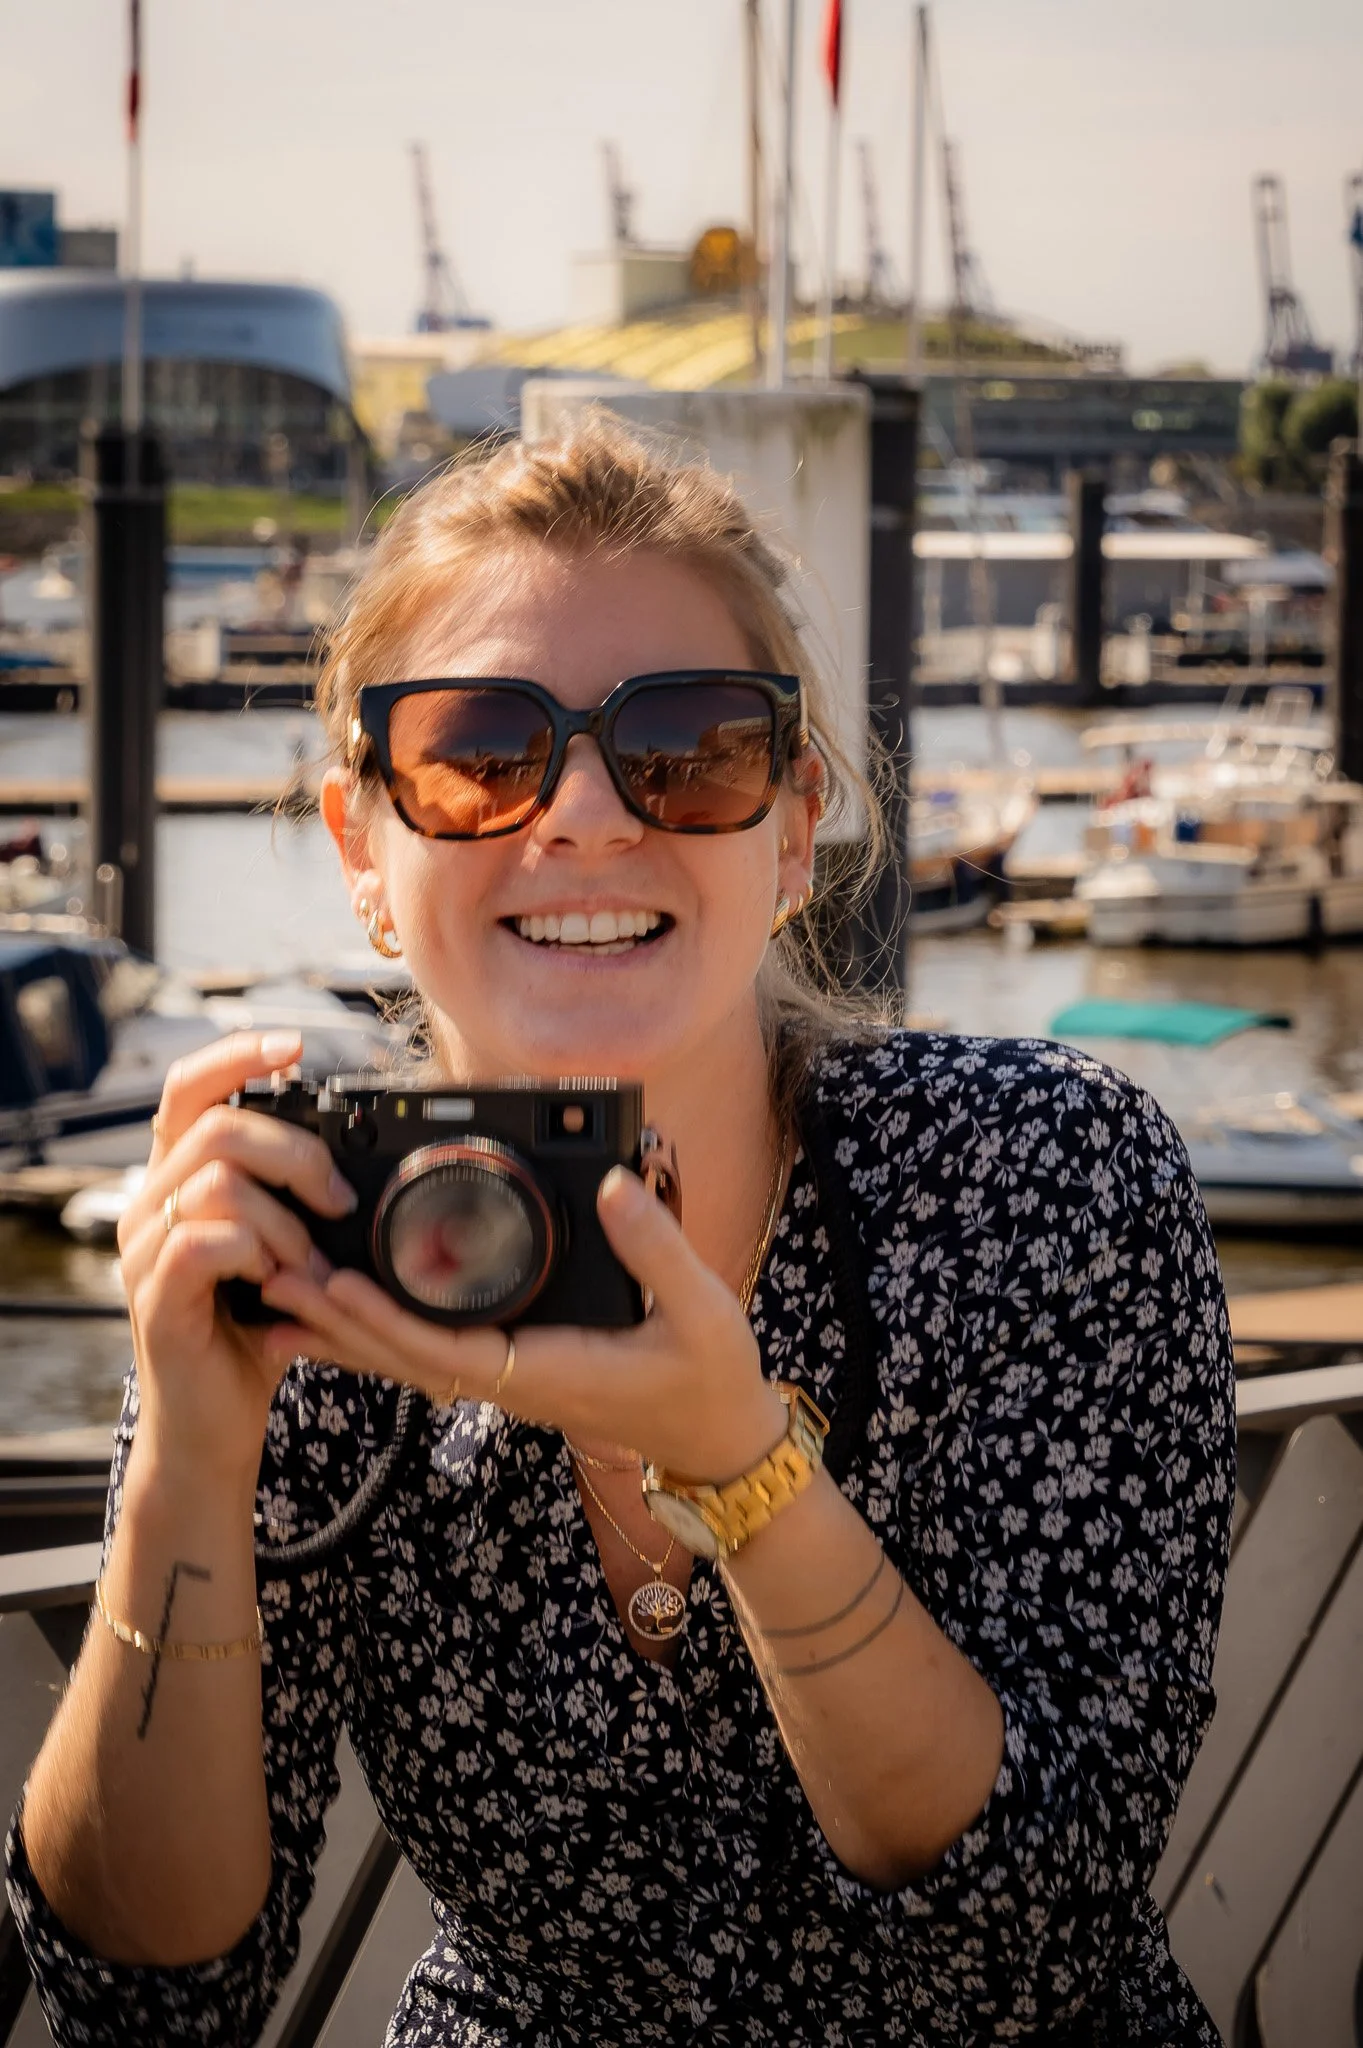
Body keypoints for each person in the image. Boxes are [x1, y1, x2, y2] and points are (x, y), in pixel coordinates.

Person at [7, 415, 1236, 2046]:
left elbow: (1020, 1945)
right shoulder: (301, 1246)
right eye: (476, 754)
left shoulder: (1035, 1182)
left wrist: (740, 1465)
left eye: (688, 747)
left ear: (794, 830)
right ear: (361, 849)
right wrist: (187, 1455)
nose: (583, 815)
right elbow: (148, 1994)